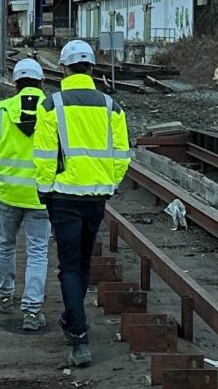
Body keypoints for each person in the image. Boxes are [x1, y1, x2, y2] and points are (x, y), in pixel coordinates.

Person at [33, 40, 131, 367]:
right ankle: (72, 317)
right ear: (91, 68)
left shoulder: (52, 106)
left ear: (63, 68)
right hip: (96, 198)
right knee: (83, 263)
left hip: (63, 198)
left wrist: (45, 191)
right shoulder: (110, 107)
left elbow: (44, 156)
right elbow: (122, 155)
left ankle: (78, 336)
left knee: (70, 267)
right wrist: (109, 183)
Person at [0, 58, 50, 331]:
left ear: (15, 84)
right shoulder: (52, 111)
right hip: (42, 196)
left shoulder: (0, 110)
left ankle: (4, 294)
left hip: (7, 193)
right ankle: (32, 310)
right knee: (38, 251)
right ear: (42, 83)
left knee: (5, 243)